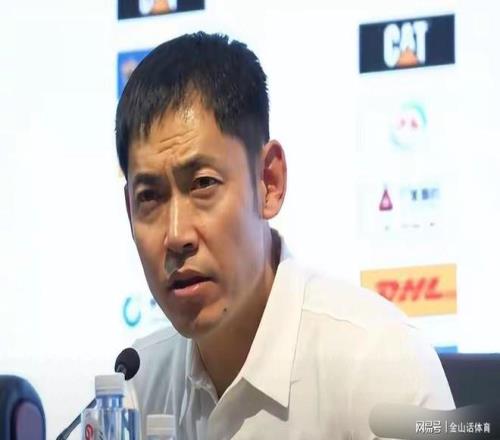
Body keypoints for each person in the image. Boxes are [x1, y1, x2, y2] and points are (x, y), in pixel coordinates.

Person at [116, 32, 454, 439]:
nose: (176, 235)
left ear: (269, 182)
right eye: (149, 197)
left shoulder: (381, 364)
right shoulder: (137, 387)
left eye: (203, 184)